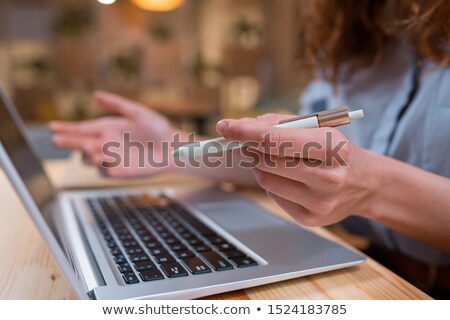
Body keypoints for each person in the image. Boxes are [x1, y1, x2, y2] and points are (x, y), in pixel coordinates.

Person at [49, 0, 450, 297]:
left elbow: (354, 170)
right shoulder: (357, 27)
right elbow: (302, 156)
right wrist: (172, 147)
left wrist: (373, 187)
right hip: (370, 267)